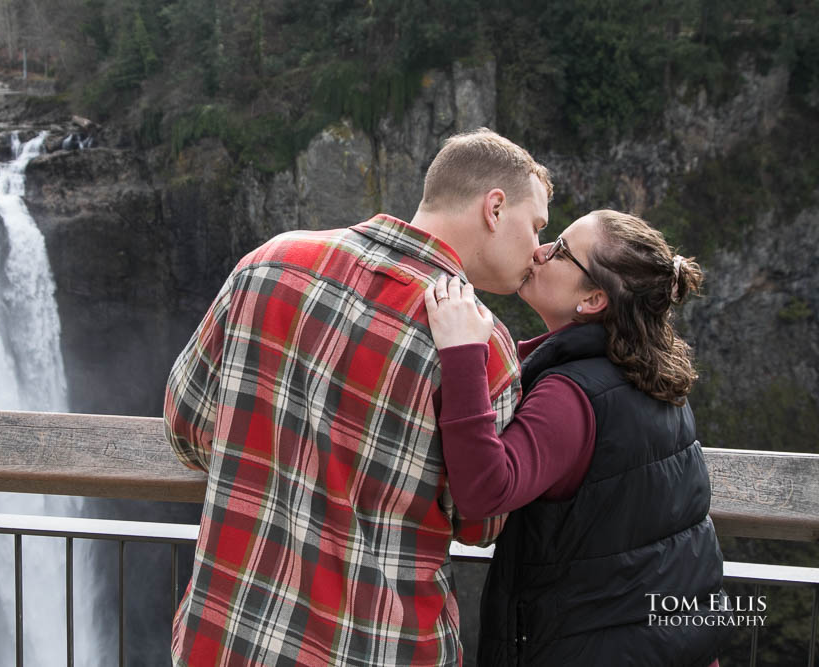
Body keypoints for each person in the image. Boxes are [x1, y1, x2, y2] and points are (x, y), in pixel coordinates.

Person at [164, 128, 552, 666]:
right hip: (377, 648)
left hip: (231, 637)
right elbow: (479, 522)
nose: (539, 252)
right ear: (494, 207)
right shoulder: (482, 347)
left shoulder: (269, 262)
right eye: (535, 227)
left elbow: (185, 424)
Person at [424, 209, 731, 666]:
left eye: (561, 252)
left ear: (591, 300)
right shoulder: (655, 380)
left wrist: (463, 353)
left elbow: (484, 492)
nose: (540, 252)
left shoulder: (571, 395)